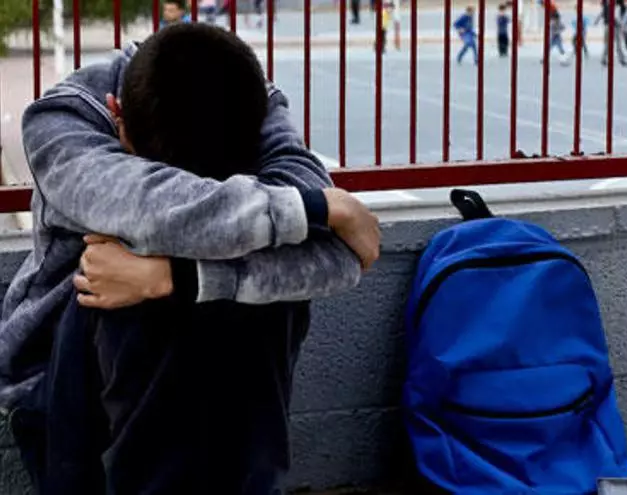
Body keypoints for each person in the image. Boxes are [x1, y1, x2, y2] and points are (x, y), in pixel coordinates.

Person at [2, 23, 379, 494]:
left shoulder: (251, 100)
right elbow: (155, 213)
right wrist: (318, 208)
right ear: (115, 114)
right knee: (131, 266)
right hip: (62, 386)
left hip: (207, 376)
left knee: (242, 272)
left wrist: (179, 277)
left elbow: (340, 258)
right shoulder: (65, 122)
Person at [595, 0, 627, 67]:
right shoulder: (615, 7)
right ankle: (621, 60)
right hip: (614, 27)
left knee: (608, 44)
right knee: (617, 44)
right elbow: (617, 18)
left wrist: (597, 21)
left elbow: (601, 14)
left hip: (609, 26)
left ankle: (604, 59)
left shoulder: (608, 6)